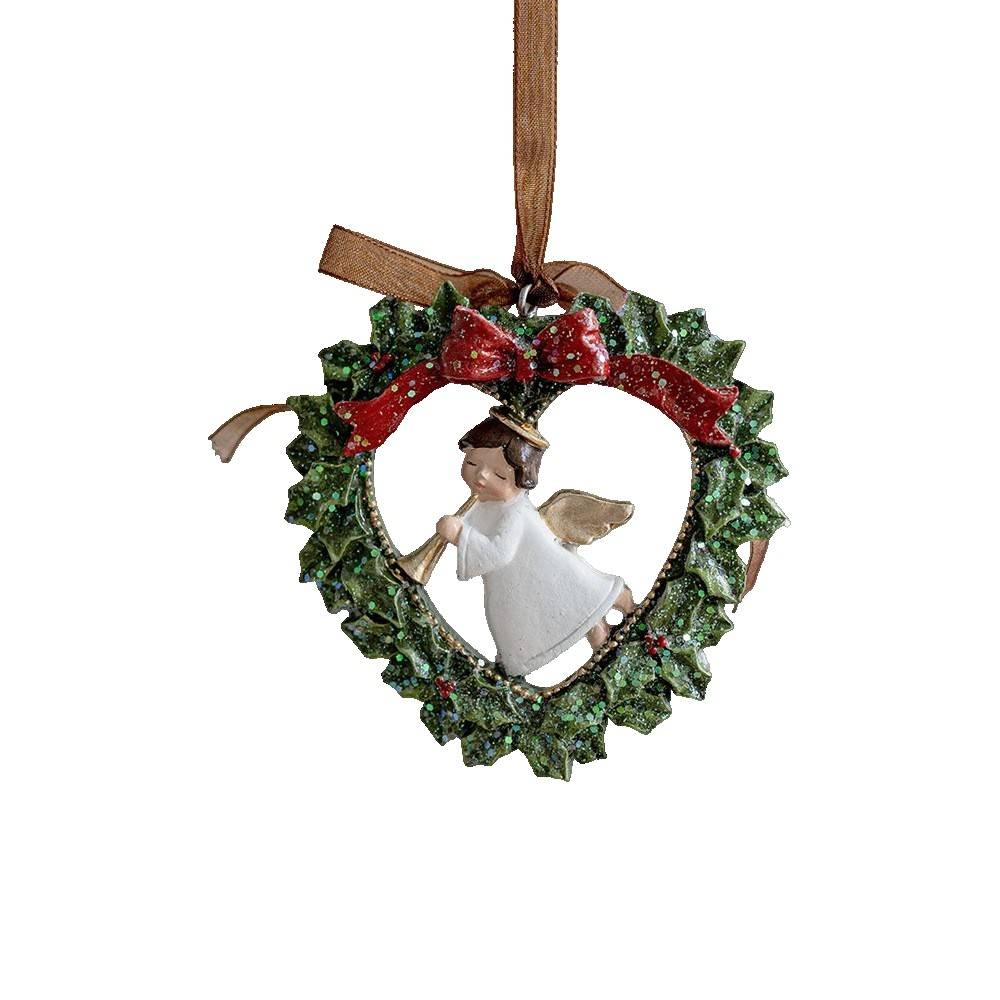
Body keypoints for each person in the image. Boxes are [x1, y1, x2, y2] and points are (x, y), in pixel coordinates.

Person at [435, 407, 635, 678]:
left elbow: (498, 553)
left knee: (585, 604)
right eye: (472, 463)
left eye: (500, 475)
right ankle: (604, 652)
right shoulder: (482, 505)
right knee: (577, 615)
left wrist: (460, 535)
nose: (481, 476)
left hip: (549, 576)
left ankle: (621, 624)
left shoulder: (516, 513)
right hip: (517, 586)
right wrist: (460, 534)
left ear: (521, 480)